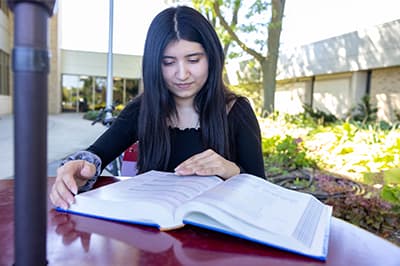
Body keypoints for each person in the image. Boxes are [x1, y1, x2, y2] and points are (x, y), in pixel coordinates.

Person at [50, 6, 265, 209]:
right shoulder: (143, 109)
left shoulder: (236, 111)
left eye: (193, 60)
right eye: (168, 62)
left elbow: (262, 192)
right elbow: (98, 154)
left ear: (212, 58)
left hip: (218, 240)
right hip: (153, 237)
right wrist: (79, 168)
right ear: (154, 65)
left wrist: (230, 170)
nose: (182, 74)